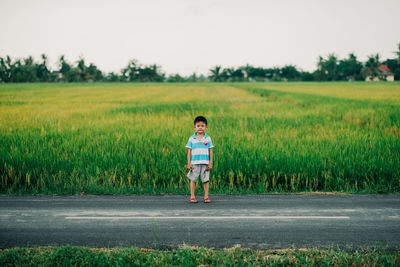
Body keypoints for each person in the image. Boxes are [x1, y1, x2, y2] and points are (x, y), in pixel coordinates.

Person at [185, 116, 214, 203]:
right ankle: (192, 196)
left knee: (206, 180)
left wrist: (210, 163)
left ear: (206, 127)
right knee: (193, 179)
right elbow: (189, 152)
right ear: (195, 127)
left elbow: (210, 151)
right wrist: (189, 163)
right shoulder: (192, 138)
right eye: (198, 126)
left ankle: (206, 197)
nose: (200, 127)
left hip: (205, 163)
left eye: (202, 125)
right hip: (195, 163)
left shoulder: (208, 138)